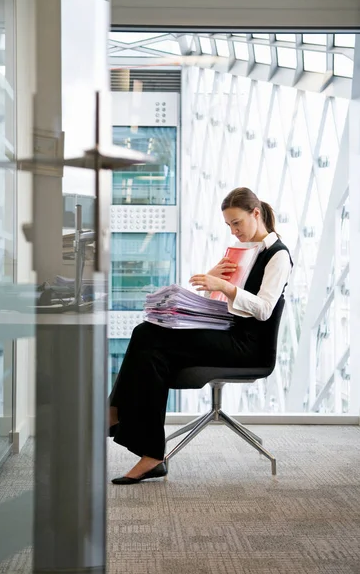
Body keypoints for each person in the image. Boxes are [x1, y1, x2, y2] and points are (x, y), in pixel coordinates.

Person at [108, 187, 293, 485]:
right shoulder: (244, 252)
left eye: (237, 223)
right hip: (225, 331)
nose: (234, 232)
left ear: (255, 214)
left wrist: (227, 286)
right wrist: (214, 278)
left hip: (248, 346)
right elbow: (218, 301)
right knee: (151, 349)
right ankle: (151, 454)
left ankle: (116, 413)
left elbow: (264, 310)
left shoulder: (278, 256)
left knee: (146, 334)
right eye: (229, 226)